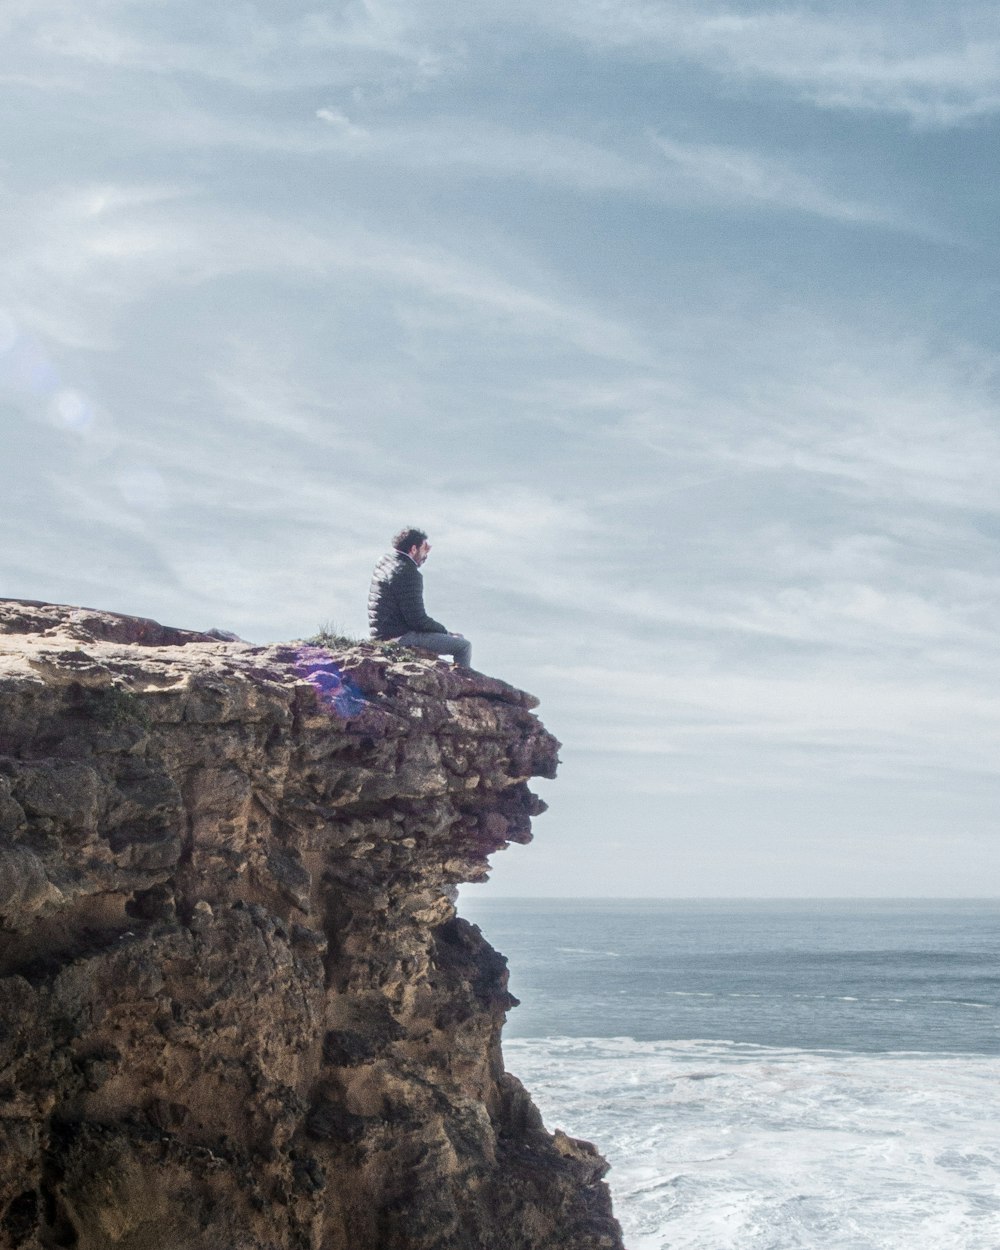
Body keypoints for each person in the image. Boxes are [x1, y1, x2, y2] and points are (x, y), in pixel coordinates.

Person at [368, 527, 472, 668]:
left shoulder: (385, 561)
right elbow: (417, 620)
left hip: (380, 633)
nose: (426, 555)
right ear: (413, 549)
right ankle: (463, 688)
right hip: (398, 637)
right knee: (463, 646)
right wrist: (446, 632)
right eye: (424, 549)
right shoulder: (408, 572)